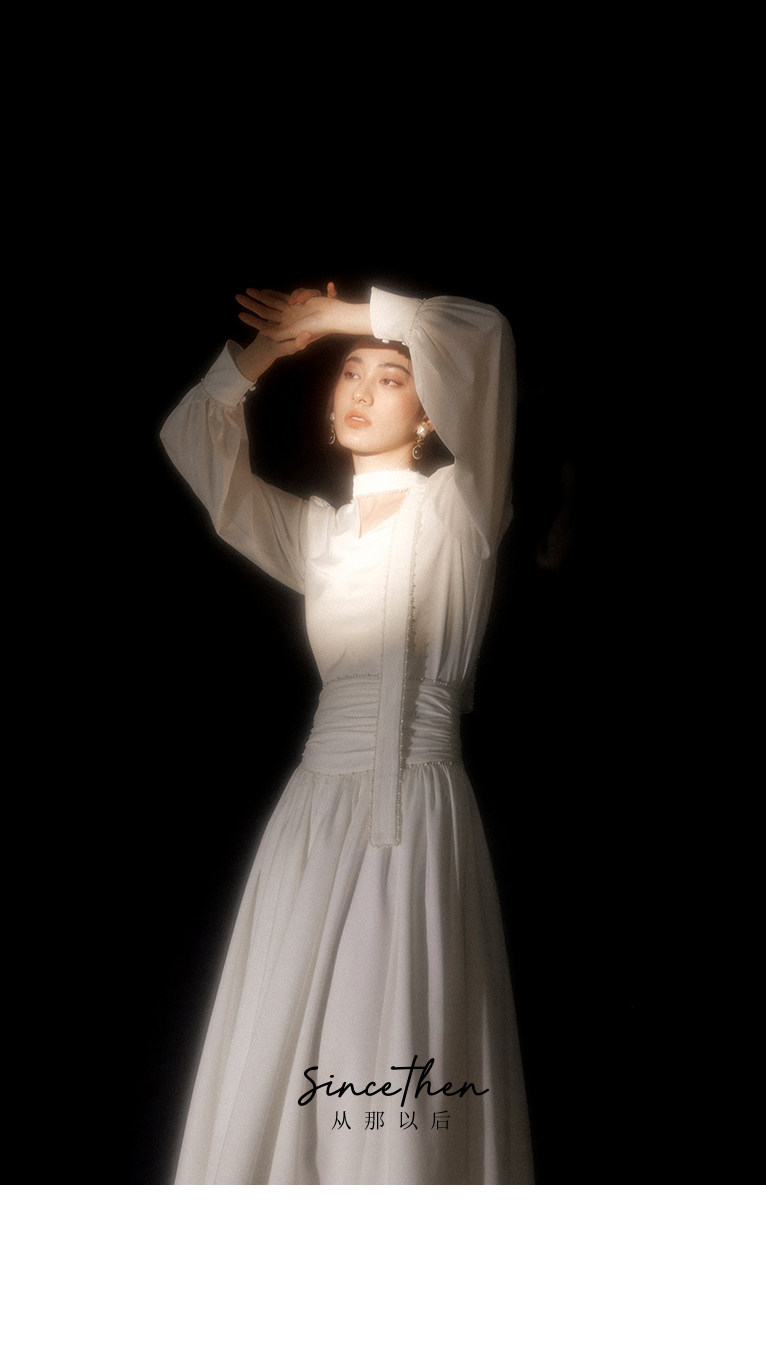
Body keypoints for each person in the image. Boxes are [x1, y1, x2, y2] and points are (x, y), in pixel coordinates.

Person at [160, 277, 534, 1184]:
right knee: (287, 1042)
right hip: (314, 815)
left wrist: (340, 316)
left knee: (396, 1039)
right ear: (331, 411)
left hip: (416, 807)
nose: (362, 388)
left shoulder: (462, 508)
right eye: (350, 375)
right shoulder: (315, 534)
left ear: (431, 414)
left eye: (391, 377)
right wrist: (269, 352)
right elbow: (191, 438)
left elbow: (483, 334)